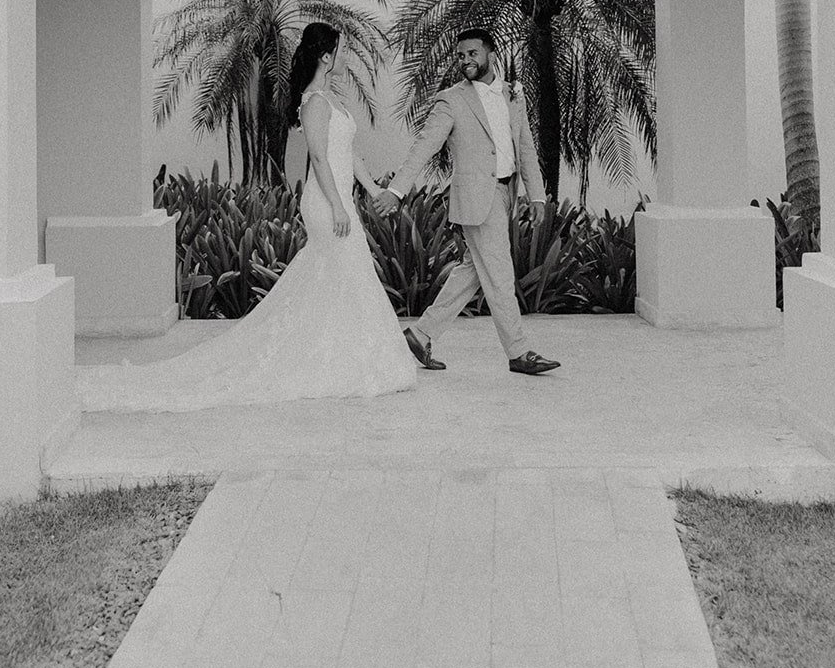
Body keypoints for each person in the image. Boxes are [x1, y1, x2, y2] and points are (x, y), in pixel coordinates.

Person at [76, 23, 416, 411]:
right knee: (344, 270)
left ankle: (341, 354)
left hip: (339, 198)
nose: (346, 56)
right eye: (342, 49)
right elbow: (319, 158)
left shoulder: (331, 98)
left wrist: (373, 190)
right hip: (326, 201)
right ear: (327, 56)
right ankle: (339, 360)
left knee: (336, 275)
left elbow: (346, 153)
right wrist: (338, 206)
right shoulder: (316, 102)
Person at [375, 28, 561, 377]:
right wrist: (397, 191)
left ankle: (420, 333)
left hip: (506, 193)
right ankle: (519, 352)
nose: (465, 61)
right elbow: (425, 146)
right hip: (479, 197)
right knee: (500, 274)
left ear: (491, 53)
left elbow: (526, 148)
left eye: (472, 54)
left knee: (473, 272)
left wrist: (536, 195)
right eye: (460, 56)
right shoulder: (452, 99)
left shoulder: (512, 95)